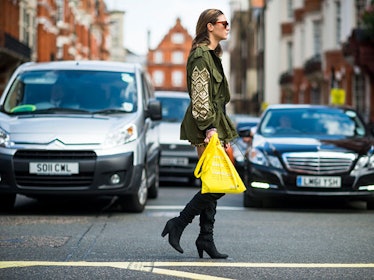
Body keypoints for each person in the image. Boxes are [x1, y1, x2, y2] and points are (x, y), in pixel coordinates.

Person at [161, 9, 238, 259]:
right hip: (207, 127)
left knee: (212, 182)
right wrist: (209, 129)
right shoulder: (200, 56)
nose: (228, 27)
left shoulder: (213, 55)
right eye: (223, 23)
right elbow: (200, 96)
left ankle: (206, 238)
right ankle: (179, 223)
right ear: (209, 27)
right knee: (218, 184)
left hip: (216, 124)